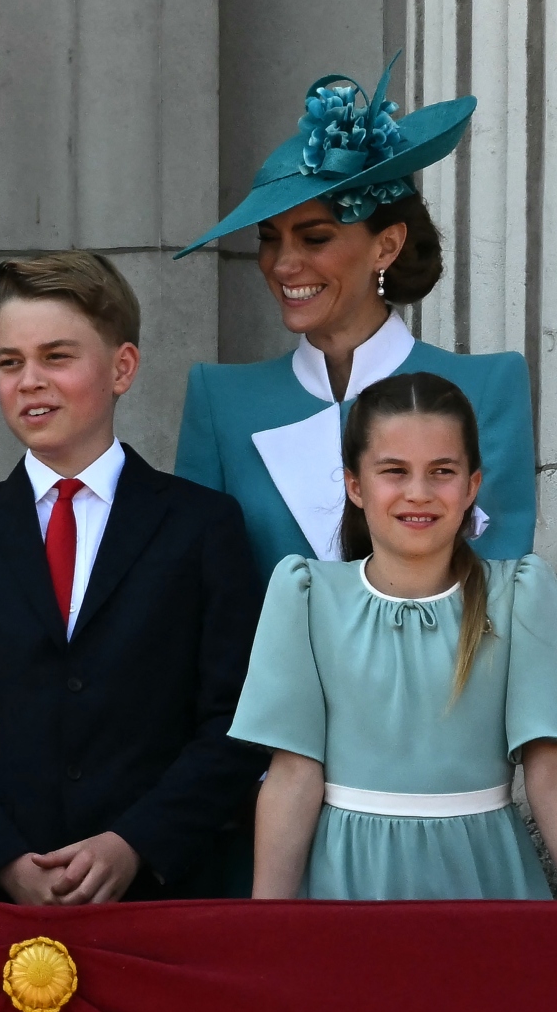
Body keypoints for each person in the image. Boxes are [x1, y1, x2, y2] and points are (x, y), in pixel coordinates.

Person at [0, 253, 268, 903]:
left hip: (158, 906)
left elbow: (235, 723)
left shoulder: (202, 527)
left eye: (57, 357)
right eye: (10, 362)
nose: (30, 381)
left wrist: (134, 843)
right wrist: (0, 859)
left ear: (123, 367)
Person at [173, 55, 535, 579]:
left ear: (385, 245)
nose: (283, 264)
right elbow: (199, 590)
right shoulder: (219, 400)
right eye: (269, 240)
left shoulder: (487, 385)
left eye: (315, 238)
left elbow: (498, 585)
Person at [233, 372, 557, 900]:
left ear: (473, 484)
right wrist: (269, 925)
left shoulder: (518, 594)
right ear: (355, 485)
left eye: (442, 471)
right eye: (394, 471)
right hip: (348, 878)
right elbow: (293, 774)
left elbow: (548, 767)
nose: (418, 493)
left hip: (485, 876)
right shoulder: (308, 596)